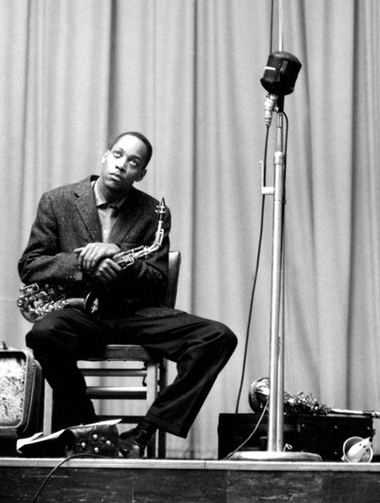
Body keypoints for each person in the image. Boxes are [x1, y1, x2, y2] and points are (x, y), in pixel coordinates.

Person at [19, 131, 238, 458]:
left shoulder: (154, 212)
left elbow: (156, 281)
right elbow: (31, 266)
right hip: (79, 314)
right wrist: (85, 264)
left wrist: (119, 259)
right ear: (105, 155)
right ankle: (86, 425)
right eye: (118, 155)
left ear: (141, 173)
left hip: (133, 314)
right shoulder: (58, 200)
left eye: (133, 162)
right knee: (44, 334)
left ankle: (142, 433)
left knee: (218, 337)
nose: (122, 166)